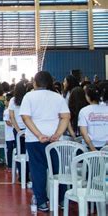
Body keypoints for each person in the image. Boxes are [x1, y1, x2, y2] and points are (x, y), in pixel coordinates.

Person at [20, 71, 70, 212]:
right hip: (54, 140)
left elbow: (26, 118)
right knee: (57, 169)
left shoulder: (29, 96)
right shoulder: (57, 97)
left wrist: (39, 135)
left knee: (38, 170)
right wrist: (57, 134)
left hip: (34, 140)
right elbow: (65, 117)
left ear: (35, 83)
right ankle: (61, 199)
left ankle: (42, 202)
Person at [8, 81, 29, 182]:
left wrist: (18, 130)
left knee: (20, 153)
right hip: (29, 130)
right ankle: (28, 175)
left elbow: (11, 117)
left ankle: (21, 175)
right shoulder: (28, 99)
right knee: (28, 153)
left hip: (17, 130)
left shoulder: (12, 100)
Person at [78, 85, 108, 151]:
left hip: (88, 148)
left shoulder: (84, 111)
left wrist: (93, 149)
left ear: (88, 97)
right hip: (106, 147)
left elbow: (84, 133)